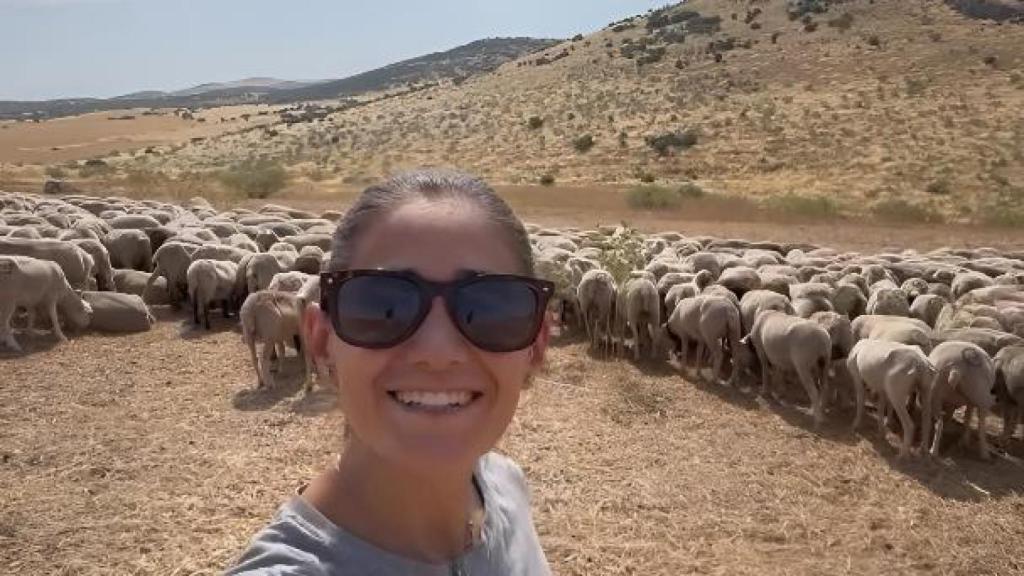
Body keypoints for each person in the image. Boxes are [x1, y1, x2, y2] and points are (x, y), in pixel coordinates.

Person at [226, 169, 554, 575]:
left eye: (489, 308)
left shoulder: (508, 487)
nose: (437, 353)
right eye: (382, 306)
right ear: (322, 341)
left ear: (536, 343)